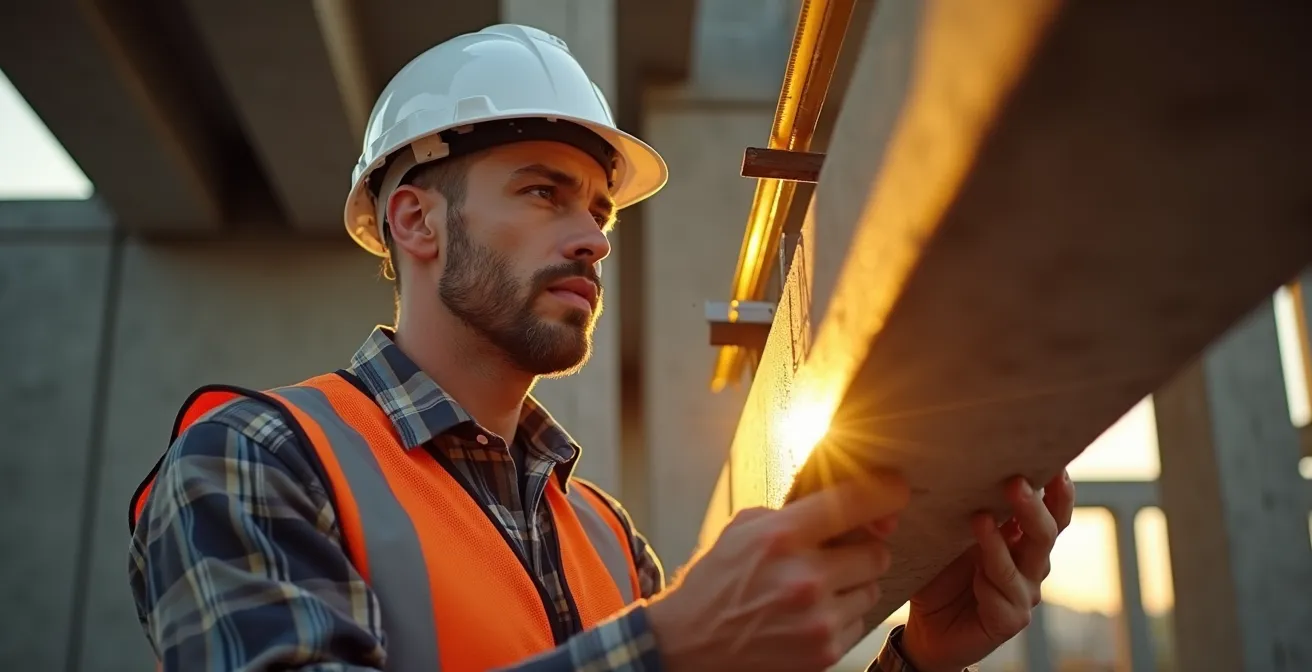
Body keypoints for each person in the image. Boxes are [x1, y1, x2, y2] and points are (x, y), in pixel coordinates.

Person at [127, 24, 1075, 672]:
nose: (592, 237)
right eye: (543, 192)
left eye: (598, 209)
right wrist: (671, 648)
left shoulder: (610, 541)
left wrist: (918, 660)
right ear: (414, 218)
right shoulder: (254, 459)